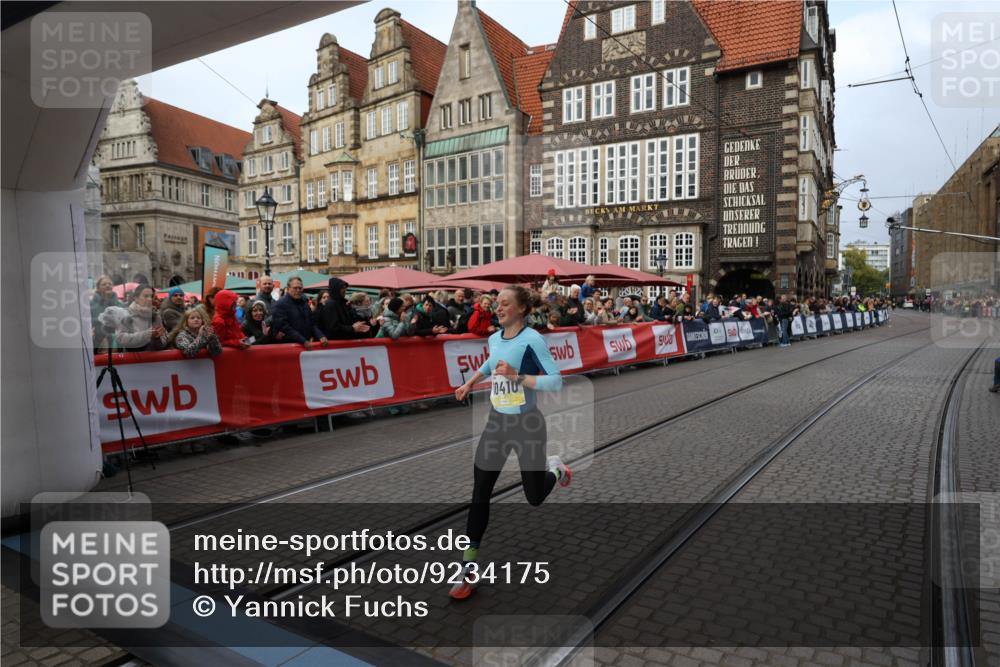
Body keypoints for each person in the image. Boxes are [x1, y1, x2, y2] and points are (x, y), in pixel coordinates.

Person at [450, 285, 572, 599]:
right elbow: (491, 364)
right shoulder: (494, 338)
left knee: (534, 496)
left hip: (527, 425)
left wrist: (517, 376)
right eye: (497, 304)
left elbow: (556, 381)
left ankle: (556, 469)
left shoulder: (533, 339)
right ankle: (467, 569)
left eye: (505, 303)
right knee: (480, 493)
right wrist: (470, 383)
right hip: (497, 423)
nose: (498, 308)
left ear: (521, 309)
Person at [272, 276, 328, 349]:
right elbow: (284, 327)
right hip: (289, 348)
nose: (298, 290)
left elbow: (312, 323)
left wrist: (320, 336)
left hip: (306, 345)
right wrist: (303, 341)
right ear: (288, 289)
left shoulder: (304, 303)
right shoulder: (280, 304)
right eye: (295, 288)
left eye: (300, 288)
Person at [115, 284, 167, 351]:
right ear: (136, 298)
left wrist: (157, 338)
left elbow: (163, 342)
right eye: (146, 296)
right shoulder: (125, 314)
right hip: (133, 357)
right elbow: (121, 339)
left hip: (153, 357)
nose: (149, 299)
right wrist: (147, 335)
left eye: (151, 296)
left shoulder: (156, 316)